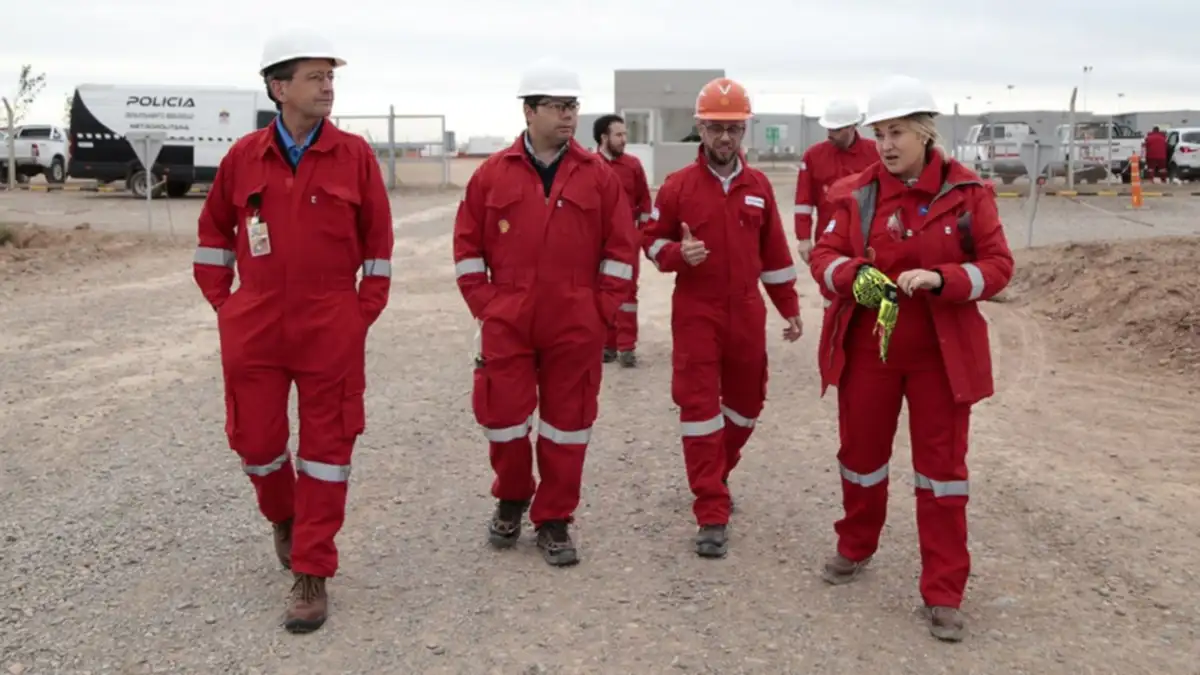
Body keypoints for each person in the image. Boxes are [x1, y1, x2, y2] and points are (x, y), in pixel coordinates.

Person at [192, 29, 393, 633]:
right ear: (279, 88)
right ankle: (285, 516)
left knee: (327, 453)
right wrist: (227, 304)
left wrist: (359, 313)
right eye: (315, 77)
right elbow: (212, 236)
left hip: (330, 321)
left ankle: (311, 571)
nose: (328, 87)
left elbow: (378, 247)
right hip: (254, 323)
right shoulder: (243, 157)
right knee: (256, 444)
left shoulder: (354, 156)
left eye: (331, 77)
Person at [808, 75, 1014, 642]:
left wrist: (944, 278)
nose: (886, 144)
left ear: (925, 132)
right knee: (860, 457)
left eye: (897, 132)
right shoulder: (855, 192)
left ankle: (943, 591)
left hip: (940, 360)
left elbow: (999, 266)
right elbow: (824, 255)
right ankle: (856, 545)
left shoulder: (968, 193)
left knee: (942, 474)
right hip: (869, 350)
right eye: (879, 134)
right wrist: (854, 276)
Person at [452, 59, 638, 567]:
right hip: (508, 319)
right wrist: (487, 306)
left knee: (567, 425)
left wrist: (600, 310)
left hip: (575, 320)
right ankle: (512, 497)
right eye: (557, 106)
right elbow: (467, 248)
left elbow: (621, 250)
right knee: (503, 420)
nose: (569, 115)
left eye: (572, 106)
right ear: (529, 111)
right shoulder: (492, 175)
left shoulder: (598, 177)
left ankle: (554, 517)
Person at [642, 77, 802, 558]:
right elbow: (651, 241)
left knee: (747, 405)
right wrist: (677, 254)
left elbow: (775, 255)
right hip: (697, 311)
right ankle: (711, 510)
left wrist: (789, 308)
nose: (725, 138)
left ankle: (717, 472)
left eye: (733, 128)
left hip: (747, 311)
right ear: (700, 128)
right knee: (698, 410)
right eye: (715, 128)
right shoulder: (678, 186)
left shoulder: (758, 187)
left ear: (744, 130)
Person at [593, 113, 653, 367]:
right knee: (601, 291)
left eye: (625, 134)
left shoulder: (633, 166)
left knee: (627, 293)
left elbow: (645, 202)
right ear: (603, 138)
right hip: (597, 243)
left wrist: (640, 234)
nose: (624, 139)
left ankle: (627, 347)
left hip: (626, 243)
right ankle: (608, 345)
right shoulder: (589, 166)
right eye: (618, 135)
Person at [794, 100, 878, 273]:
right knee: (831, 285)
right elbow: (803, 201)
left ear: (852, 127)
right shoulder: (814, 156)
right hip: (829, 240)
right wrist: (803, 238)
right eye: (829, 128)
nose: (830, 134)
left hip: (868, 239)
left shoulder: (875, 153)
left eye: (836, 130)